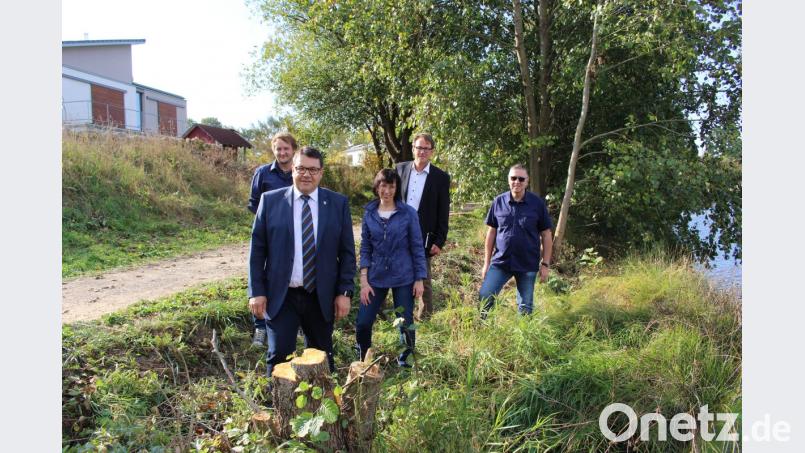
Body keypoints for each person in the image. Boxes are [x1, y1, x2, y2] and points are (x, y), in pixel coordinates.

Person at [248, 146, 356, 376]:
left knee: (322, 357)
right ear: (292, 171)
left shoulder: (337, 204)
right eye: (301, 168)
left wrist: (344, 292)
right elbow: (257, 251)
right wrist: (256, 291)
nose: (306, 174)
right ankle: (277, 408)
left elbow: (347, 253)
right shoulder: (270, 201)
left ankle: (321, 408)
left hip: (321, 295)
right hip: (282, 294)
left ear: (321, 173)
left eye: (312, 170)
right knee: (279, 356)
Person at [356, 169, 427, 367]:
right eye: (383, 185)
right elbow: (365, 246)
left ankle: (406, 360)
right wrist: (364, 279)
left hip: (403, 276)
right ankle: (363, 358)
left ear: (397, 188)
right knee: (363, 322)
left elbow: (416, 246)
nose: (386, 190)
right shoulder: (369, 212)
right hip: (375, 277)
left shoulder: (407, 213)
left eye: (391, 186)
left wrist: (419, 278)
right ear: (377, 187)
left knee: (405, 322)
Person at [479, 164, 553, 317]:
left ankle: (522, 337)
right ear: (508, 180)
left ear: (527, 181)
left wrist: (545, 264)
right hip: (501, 262)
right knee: (485, 297)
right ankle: (485, 331)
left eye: (521, 179)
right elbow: (491, 232)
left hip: (527, 263)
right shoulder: (498, 202)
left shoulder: (537, 204)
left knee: (525, 306)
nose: (517, 182)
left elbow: (546, 235)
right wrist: (486, 263)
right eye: (513, 178)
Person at [247, 132, 297, 347]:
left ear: (293, 150)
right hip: (270, 235)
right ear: (273, 150)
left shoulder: (299, 172)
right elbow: (254, 203)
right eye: (278, 149)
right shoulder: (263, 173)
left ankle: (296, 324)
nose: (282, 152)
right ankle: (260, 328)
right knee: (262, 276)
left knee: (293, 276)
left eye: (286, 148)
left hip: (297, 235)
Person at [395, 133, 450, 320]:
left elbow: (443, 211)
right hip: (399, 232)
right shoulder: (399, 169)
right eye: (419, 147)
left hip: (423, 234)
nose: (422, 152)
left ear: (432, 152)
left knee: (423, 277)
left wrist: (440, 240)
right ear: (413, 149)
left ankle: (425, 319)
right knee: (398, 272)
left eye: (426, 148)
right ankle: (402, 315)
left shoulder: (440, 177)